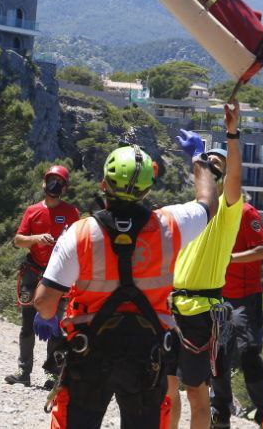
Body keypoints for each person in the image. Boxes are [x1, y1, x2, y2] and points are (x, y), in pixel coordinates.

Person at [33, 142, 222, 429]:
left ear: (103, 183)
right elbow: (209, 203)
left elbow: (45, 305)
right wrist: (201, 161)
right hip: (147, 356)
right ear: (148, 189)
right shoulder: (171, 225)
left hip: (89, 352)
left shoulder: (79, 234)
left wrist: (50, 316)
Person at [168, 104, 243, 429]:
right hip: (169, 307)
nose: (211, 166)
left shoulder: (227, 213)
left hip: (200, 313)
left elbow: (236, 175)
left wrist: (231, 132)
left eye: (218, 165)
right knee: (167, 392)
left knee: (197, 396)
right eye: (207, 162)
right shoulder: (190, 211)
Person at [6, 164, 81, 388]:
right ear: (44, 183)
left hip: (59, 278)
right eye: (51, 180)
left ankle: (52, 373)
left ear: (65, 188)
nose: (54, 185)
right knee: (27, 323)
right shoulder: (33, 211)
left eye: (60, 182)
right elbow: (18, 240)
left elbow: (79, 243)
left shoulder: (71, 213)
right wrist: (36, 238)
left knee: (56, 325)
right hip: (33, 272)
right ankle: (23, 371)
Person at [210, 194, 263, 426]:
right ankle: (220, 411)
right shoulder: (209, 213)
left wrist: (228, 258)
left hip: (245, 296)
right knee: (218, 352)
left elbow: (262, 250)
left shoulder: (246, 213)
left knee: (249, 353)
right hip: (217, 293)